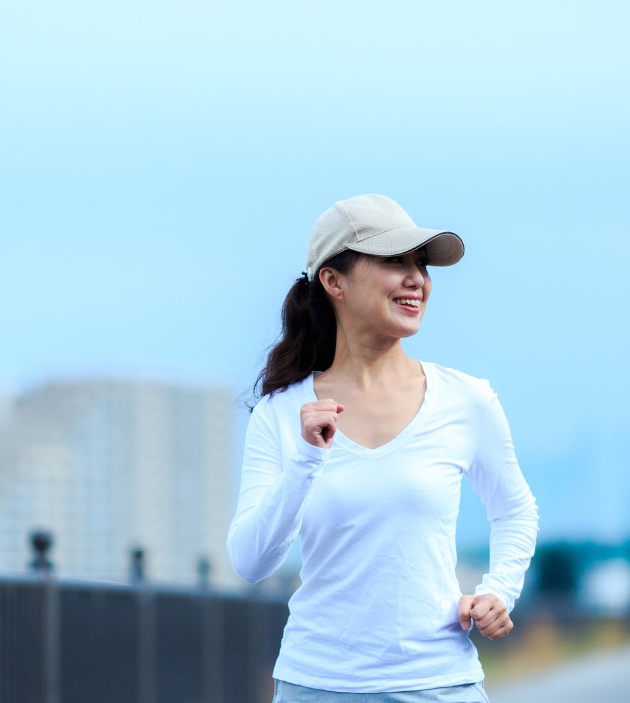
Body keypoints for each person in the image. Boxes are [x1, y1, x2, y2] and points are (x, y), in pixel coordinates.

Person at [227, 194, 539, 702]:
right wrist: (306, 459)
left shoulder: (466, 399)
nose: (416, 278)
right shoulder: (282, 413)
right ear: (334, 282)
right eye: (395, 261)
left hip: (439, 684)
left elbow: (516, 510)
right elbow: (251, 562)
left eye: (421, 264)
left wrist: (497, 591)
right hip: (317, 685)